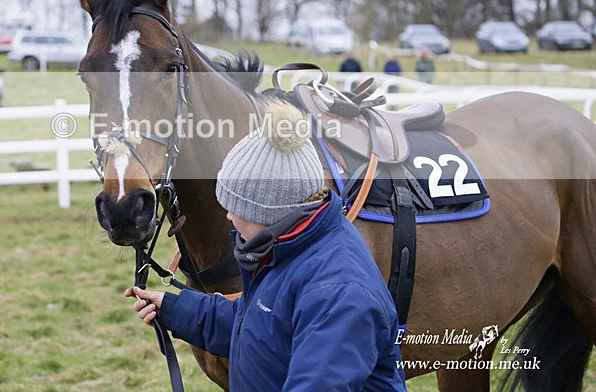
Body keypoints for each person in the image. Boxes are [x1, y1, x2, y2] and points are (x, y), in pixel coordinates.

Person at [126, 99, 407, 390]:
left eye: (238, 208)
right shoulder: (288, 250)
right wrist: (174, 308)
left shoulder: (339, 294)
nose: (229, 216)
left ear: (269, 213)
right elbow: (259, 325)